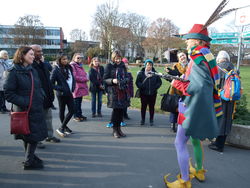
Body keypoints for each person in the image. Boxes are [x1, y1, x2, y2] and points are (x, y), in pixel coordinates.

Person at [164, 24, 223, 187]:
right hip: (201, 106)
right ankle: (199, 170)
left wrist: (178, 83)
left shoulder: (197, 57)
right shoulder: (206, 55)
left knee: (179, 143)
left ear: (197, 40)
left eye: (189, 39)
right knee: (196, 140)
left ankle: (184, 180)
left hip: (191, 108)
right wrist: (183, 76)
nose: (187, 42)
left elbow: (199, 87)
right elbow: (203, 81)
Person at [4, 46, 47, 170]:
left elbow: (38, 86)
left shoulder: (31, 70)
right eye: (31, 54)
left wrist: (41, 96)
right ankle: (29, 161)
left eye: (34, 54)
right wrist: (27, 102)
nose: (34, 56)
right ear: (22, 56)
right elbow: (8, 93)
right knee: (31, 136)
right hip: (24, 110)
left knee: (28, 135)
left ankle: (30, 156)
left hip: (36, 108)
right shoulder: (13, 72)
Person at [31, 45, 60, 147]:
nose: (41, 53)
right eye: (38, 51)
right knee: (37, 120)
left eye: (41, 51)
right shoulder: (30, 66)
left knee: (48, 118)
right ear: (32, 52)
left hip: (47, 97)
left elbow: (48, 80)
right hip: (37, 98)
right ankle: (36, 140)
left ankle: (49, 136)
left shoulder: (43, 64)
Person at [208, 50, 235, 152]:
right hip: (231, 98)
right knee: (227, 119)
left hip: (220, 97)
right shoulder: (234, 69)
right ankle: (221, 142)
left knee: (220, 118)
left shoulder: (218, 69)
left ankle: (218, 145)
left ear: (218, 59)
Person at [103, 50, 130, 138]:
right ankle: (115, 130)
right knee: (116, 111)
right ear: (113, 58)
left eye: (119, 59)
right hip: (114, 91)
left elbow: (127, 77)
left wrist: (125, 80)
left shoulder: (123, 66)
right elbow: (105, 79)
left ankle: (119, 129)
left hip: (122, 91)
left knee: (121, 111)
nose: (118, 60)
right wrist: (112, 80)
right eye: (116, 59)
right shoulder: (109, 66)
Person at [50, 53, 75, 137]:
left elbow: (72, 78)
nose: (66, 60)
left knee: (72, 110)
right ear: (59, 60)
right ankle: (63, 127)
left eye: (66, 59)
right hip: (62, 94)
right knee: (62, 110)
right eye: (63, 59)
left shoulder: (69, 67)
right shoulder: (56, 70)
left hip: (69, 92)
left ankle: (63, 127)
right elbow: (51, 84)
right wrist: (60, 88)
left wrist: (73, 86)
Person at [165, 52, 188, 132]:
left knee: (183, 108)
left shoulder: (191, 66)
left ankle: (181, 124)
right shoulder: (176, 66)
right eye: (180, 56)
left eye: (183, 55)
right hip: (176, 89)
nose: (182, 57)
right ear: (178, 59)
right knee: (174, 107)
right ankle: (173, 124)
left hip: (186, 90)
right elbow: (174, 75)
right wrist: (169, 72)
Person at [135, 59, 162, 126]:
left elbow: (159, 82)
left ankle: (151, 120)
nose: (149, 66)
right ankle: (143, 119)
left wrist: (155, 87)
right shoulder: (141, 73)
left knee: (152, 107)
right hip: (143, 93)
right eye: (147, 65)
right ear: (145, 65)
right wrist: (141, 86)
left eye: (150, 65)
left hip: (153, 93)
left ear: (152, 66)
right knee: (143, 107)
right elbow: (137, 82)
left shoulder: (155, 74)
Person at [70, 53, 89, 122]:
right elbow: (75, 77)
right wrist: (85, 78)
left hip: (81, 86)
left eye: (80, 58)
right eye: (78, 58)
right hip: (76, 87)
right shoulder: (73, 66)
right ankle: (76, 116)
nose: (79, 59)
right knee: (76, 102)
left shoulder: (79, 65)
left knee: (79, 102)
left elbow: (82, 74)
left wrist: (86, 75)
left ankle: (79, 114)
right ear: (74, 58)